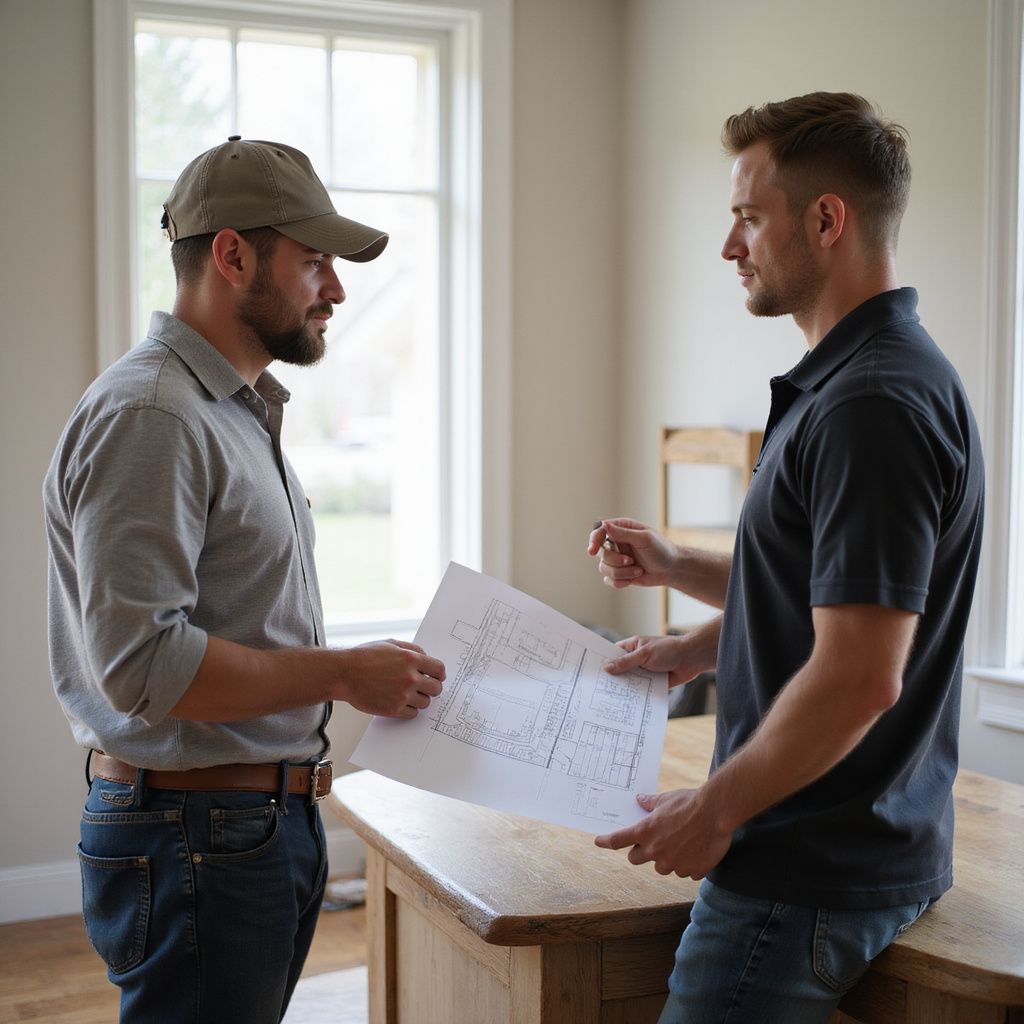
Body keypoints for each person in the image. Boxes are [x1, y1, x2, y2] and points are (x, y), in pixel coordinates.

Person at [587, 93, 984, 1023]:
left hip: (805, 870)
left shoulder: (870, 406)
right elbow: (835, 594)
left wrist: (714, 807)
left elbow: (858, 676)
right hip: (838, 852)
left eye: (747, 218)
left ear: (826, 219)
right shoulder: (860, 380)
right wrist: (693, 620)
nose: (731, 247)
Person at [43, 137, 446, 1023]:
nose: (336, 289)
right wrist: (342, 673)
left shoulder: (229, 412)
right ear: (231, 255)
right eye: (314, 261)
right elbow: (144, 667)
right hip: (196, 838)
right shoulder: (154, 415)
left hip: (247, 829)